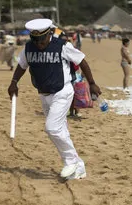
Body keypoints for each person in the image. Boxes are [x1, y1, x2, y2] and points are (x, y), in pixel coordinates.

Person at [7, 19, 102, 180]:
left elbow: (82, 61)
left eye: (42, 40)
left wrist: (92, 83)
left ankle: (71, 161)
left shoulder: (62, 46)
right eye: (35, 40)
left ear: (49, 34)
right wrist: (13, 83)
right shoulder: (29, 48)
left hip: (62, 92)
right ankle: (78, 168)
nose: (39, 44)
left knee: (52, 128)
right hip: (43, 94)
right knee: (60, 130)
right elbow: (22, 66)